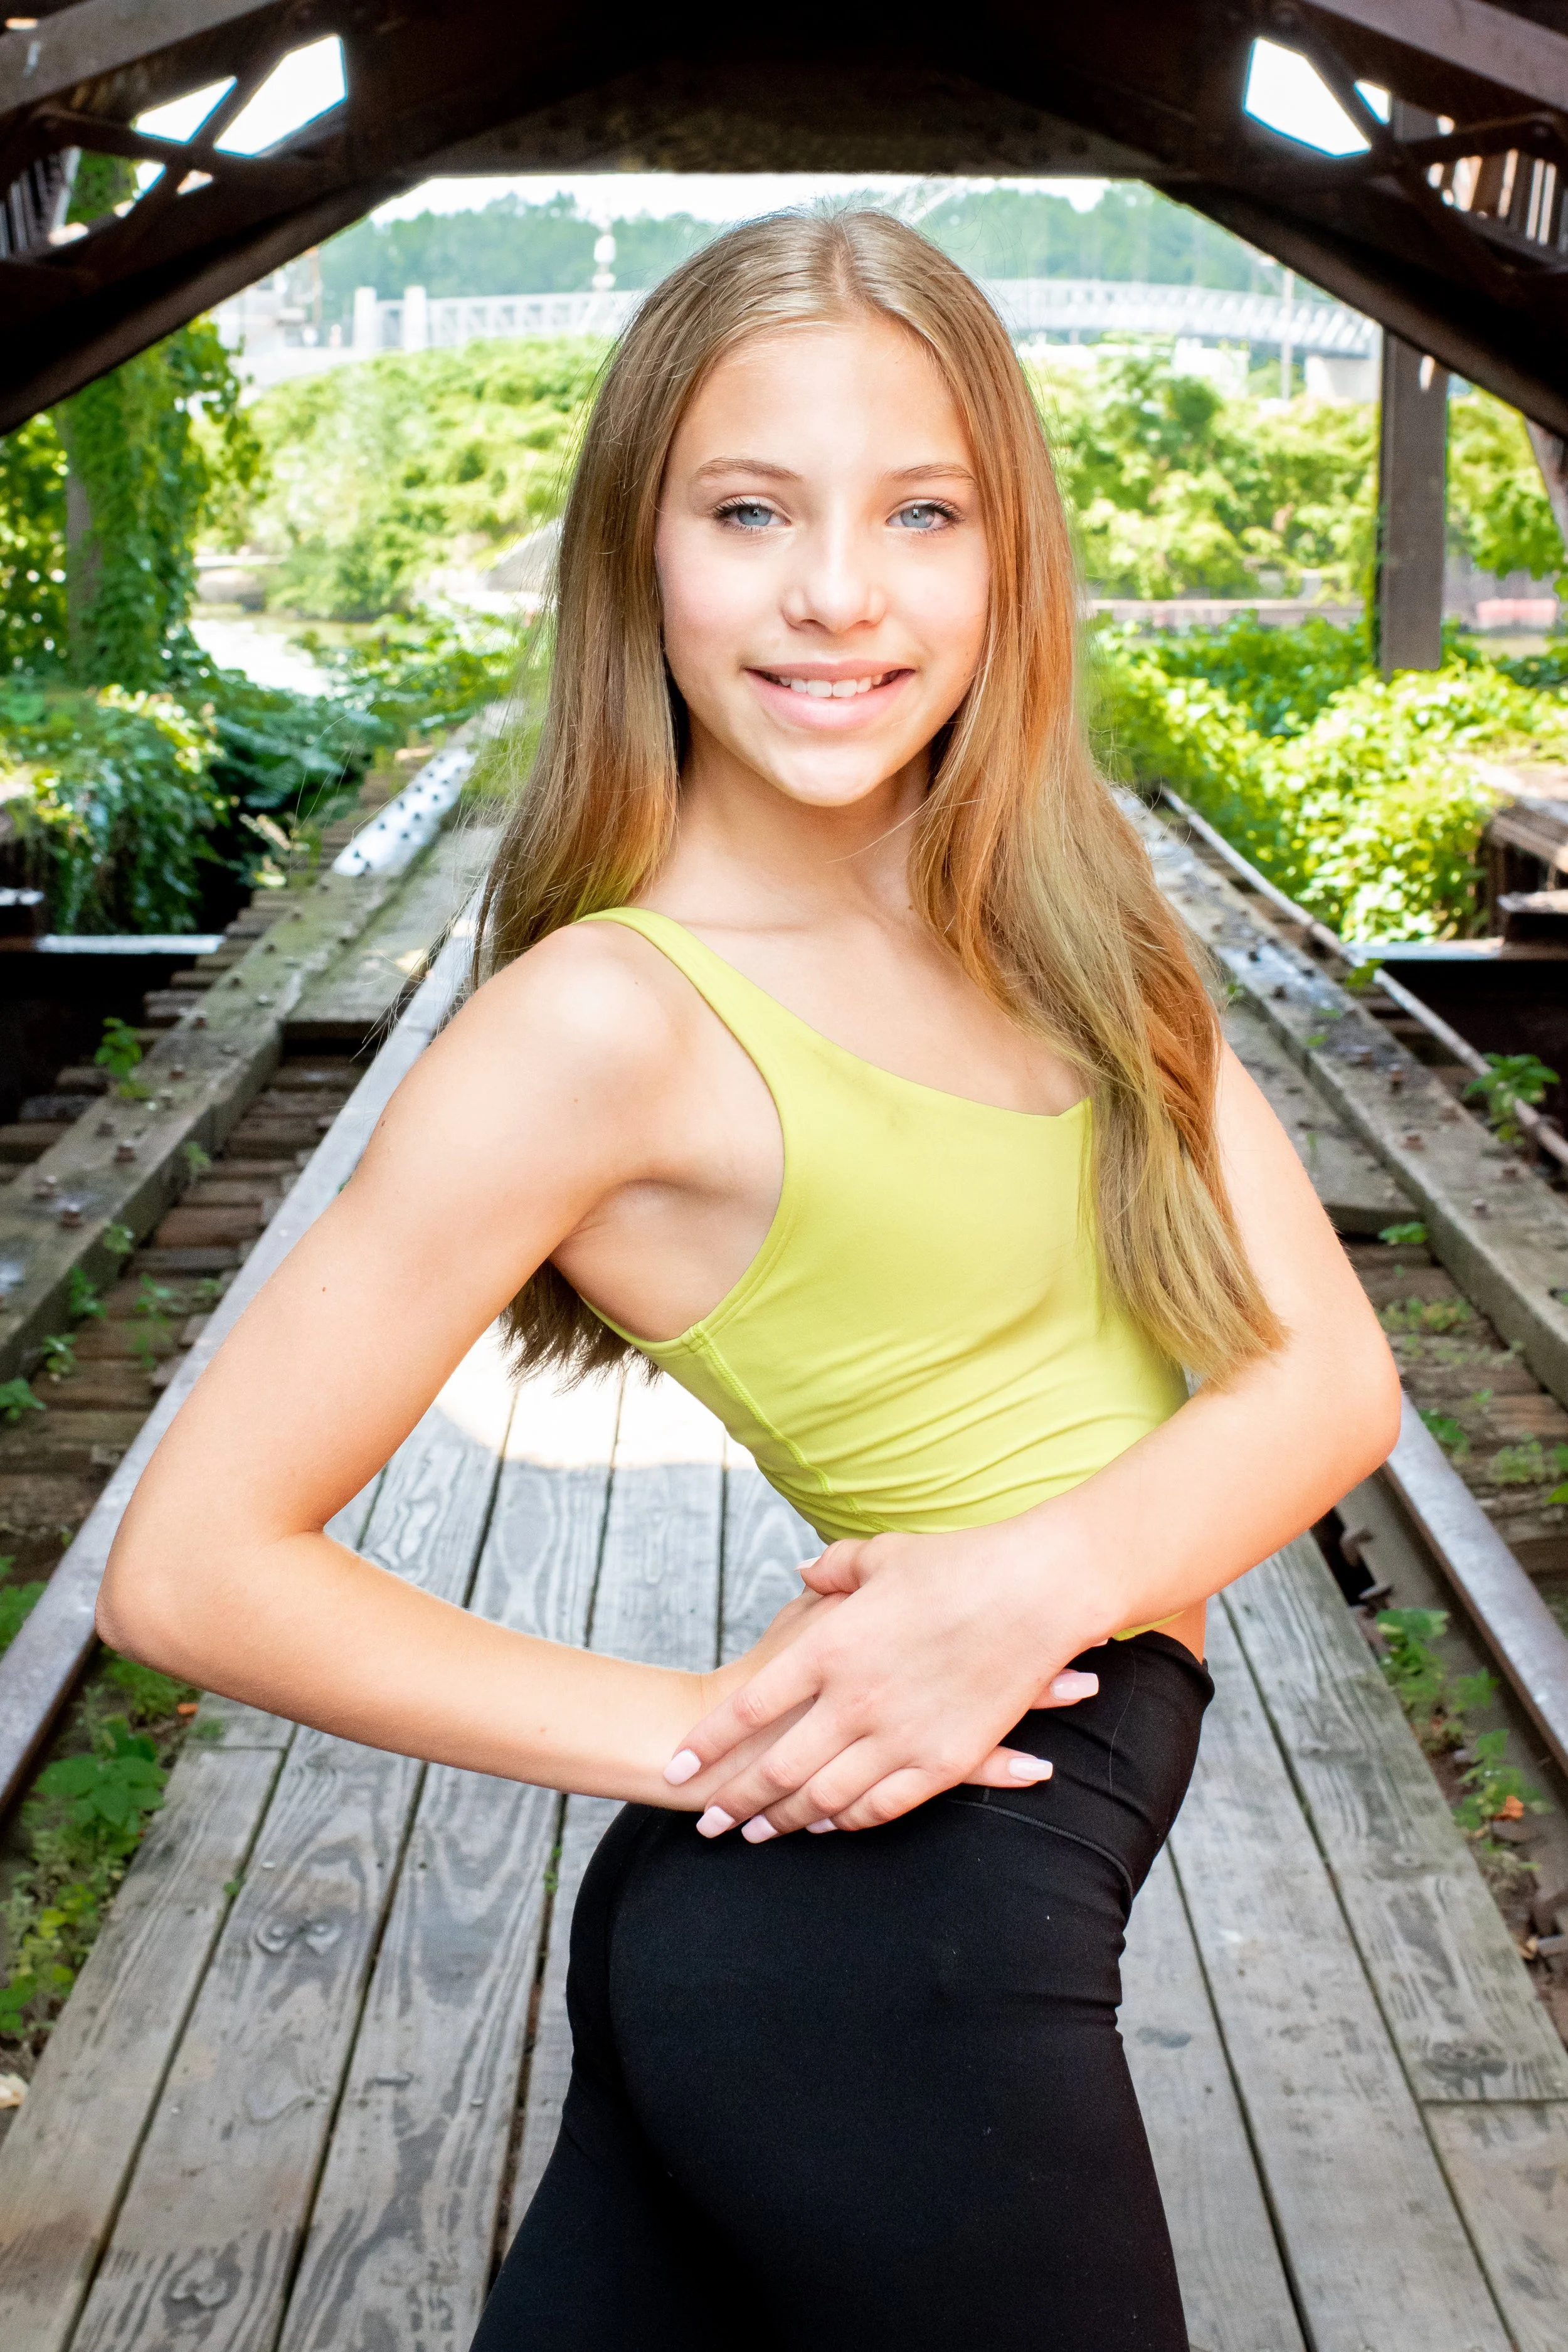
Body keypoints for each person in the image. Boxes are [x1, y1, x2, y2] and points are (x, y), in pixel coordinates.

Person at [98, 211, 1401, 2350]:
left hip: (867, 1917)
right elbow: (190, 1564)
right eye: (747, 511)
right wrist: (707, 1730)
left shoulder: (1073, 920)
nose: (834, 591)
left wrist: (1015, 1586)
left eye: (919, 510)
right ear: (641, 557)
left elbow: (1320, 1382)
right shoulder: (603, 1023)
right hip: (889, 1955)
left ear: (1010, 557)